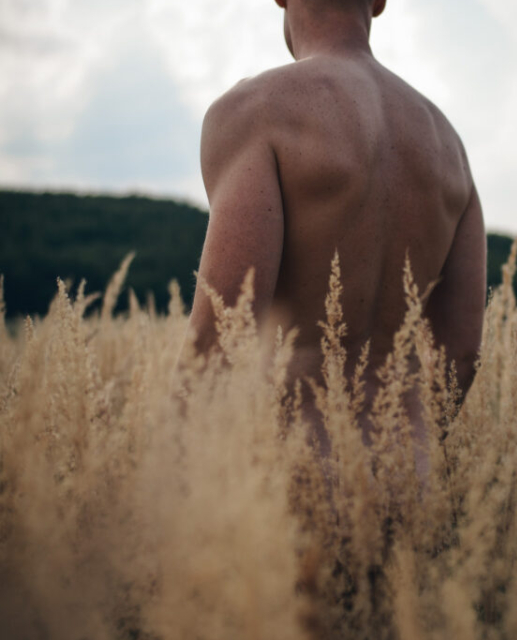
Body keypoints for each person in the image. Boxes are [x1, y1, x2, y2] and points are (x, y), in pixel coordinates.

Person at [184, 0, 486, 467]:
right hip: (410, 476)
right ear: (379, 1)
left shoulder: (256, 110)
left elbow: (221, 338)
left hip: (293, 483)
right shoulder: (448, 144)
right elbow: (462, 356)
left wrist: (162, 494)